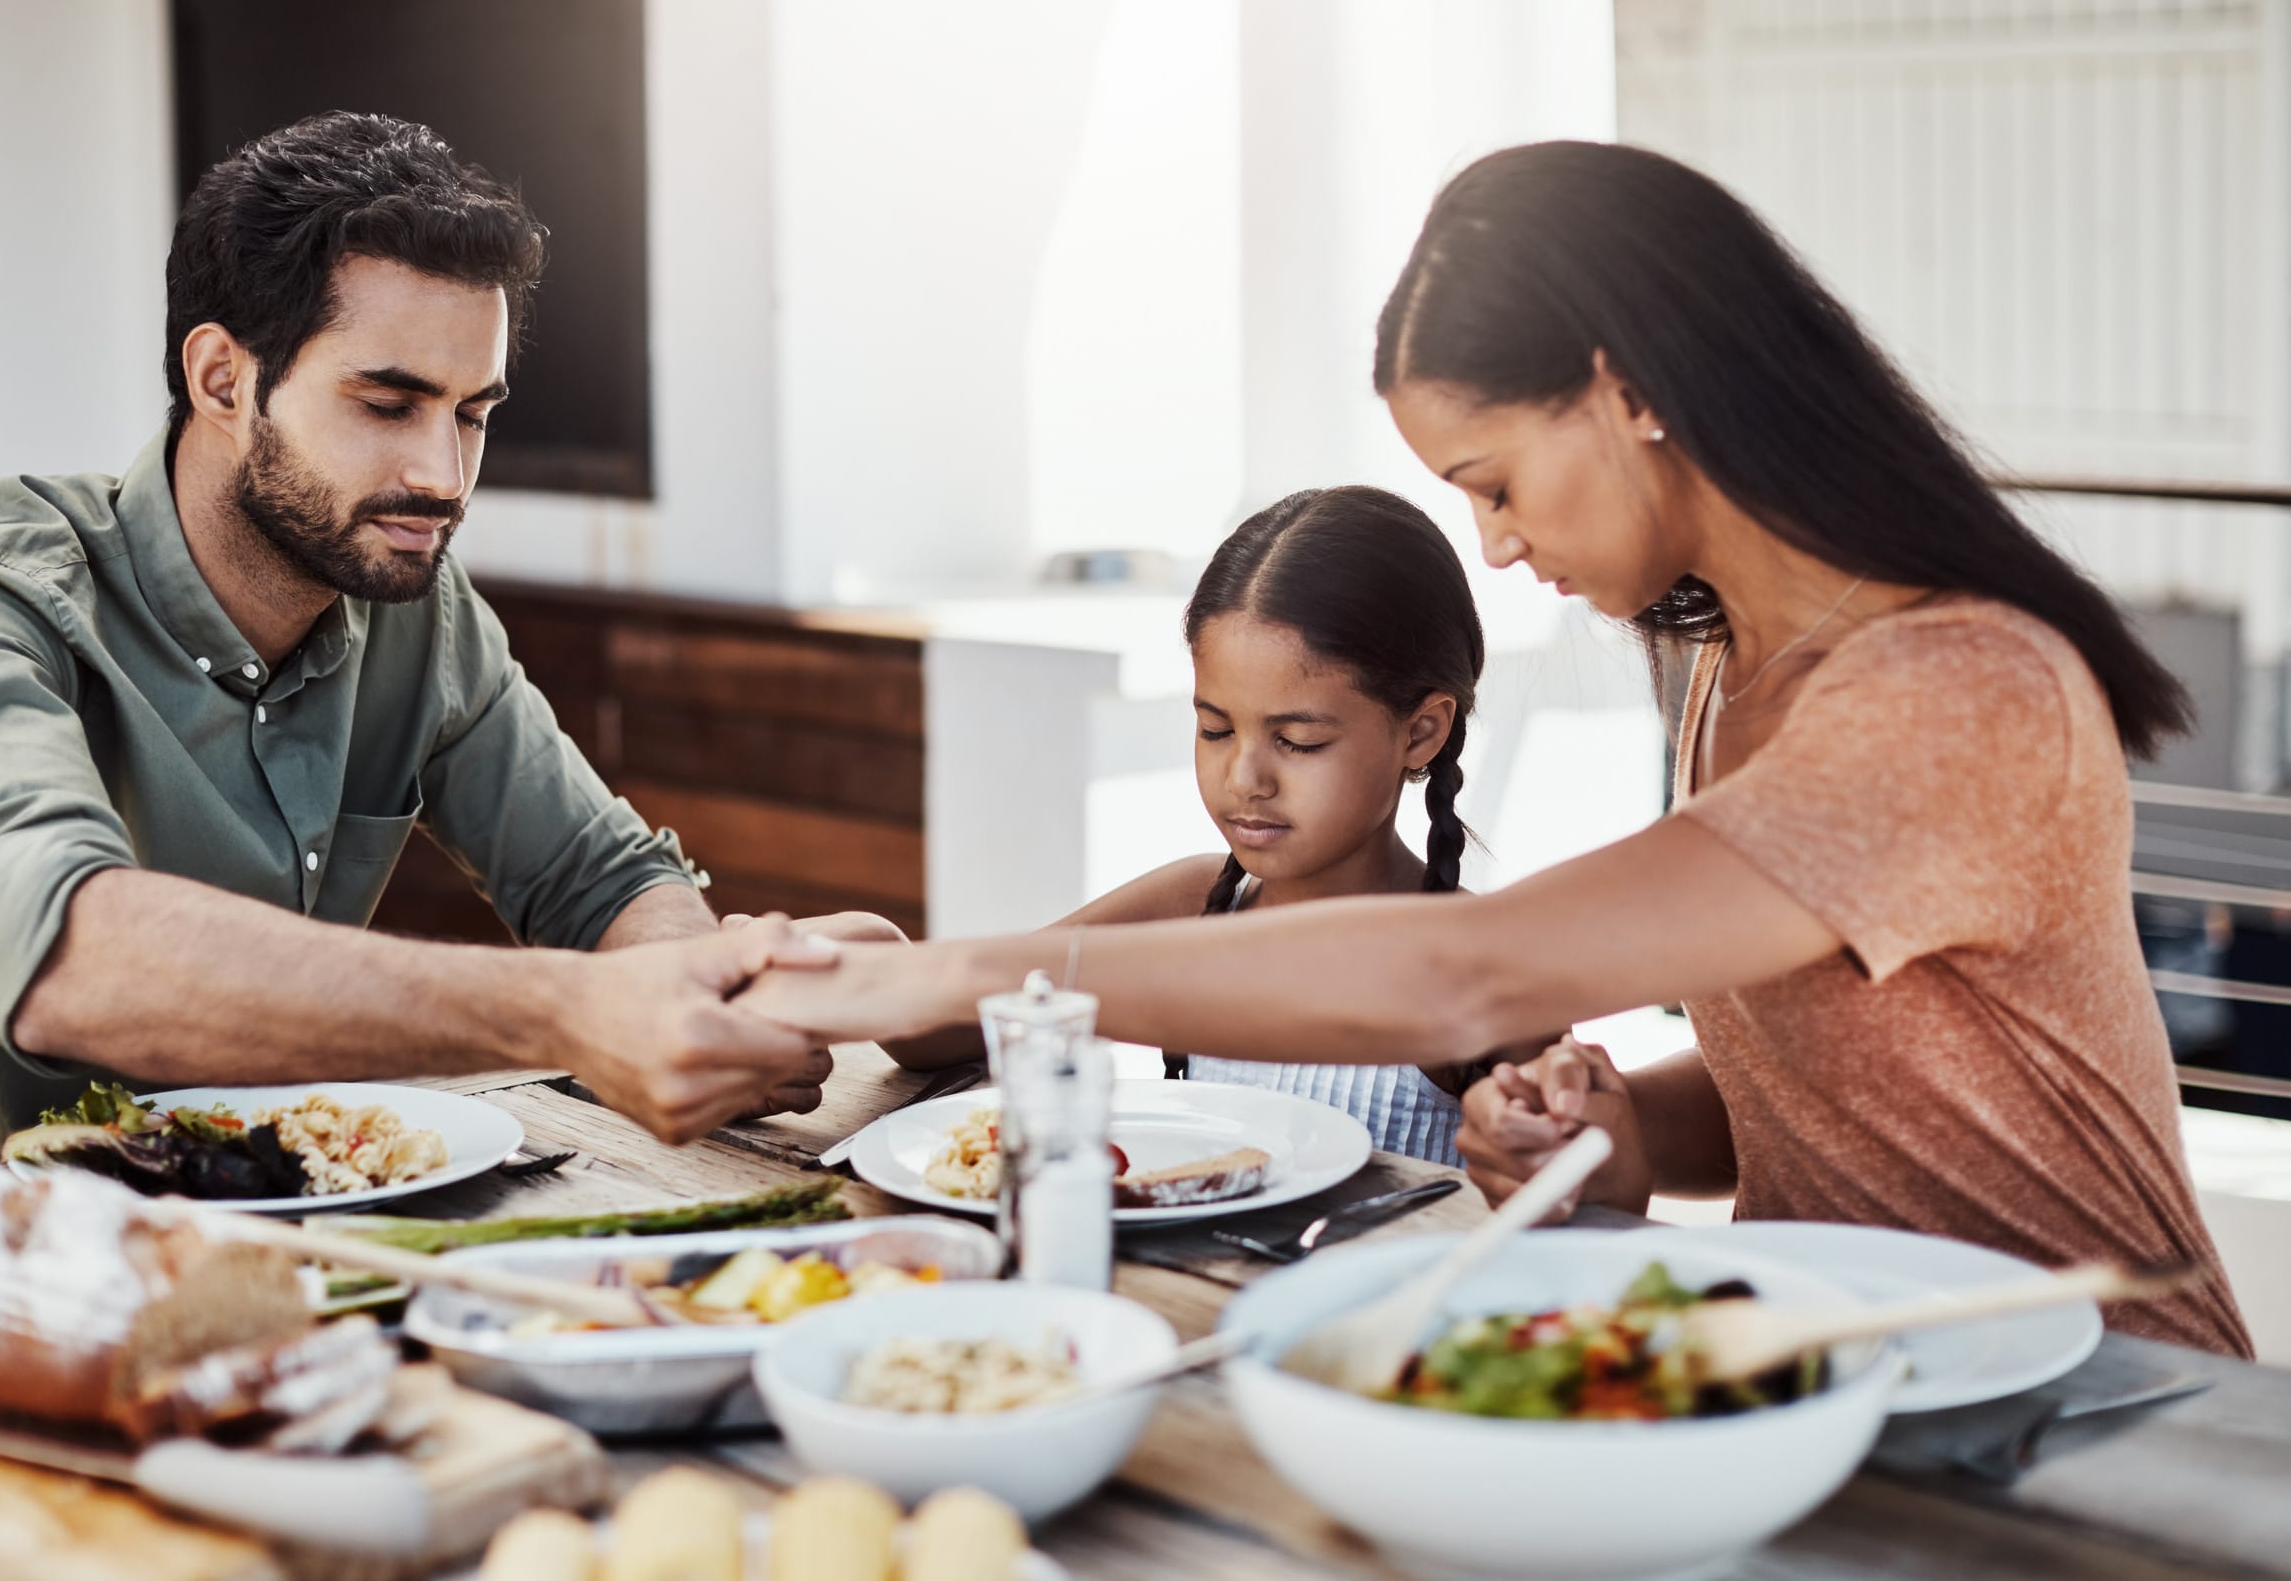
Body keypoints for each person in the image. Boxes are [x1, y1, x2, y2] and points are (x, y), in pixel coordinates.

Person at [744, 141, 2253, 1355]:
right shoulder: (1730, 671)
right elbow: (1820, 1093)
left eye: (1497, 480)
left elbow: (1465, 968)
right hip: (1844, 1377)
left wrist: (948, 974)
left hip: (2102, 1400)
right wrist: (1622, 1128)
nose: (1499, 541)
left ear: (1626, 389)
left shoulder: (1957, 692)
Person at [0, 112, 835, 1178]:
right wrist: (572, 1011)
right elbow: (75, 963)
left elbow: (599, 881)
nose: (445, 477)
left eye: (471, 414)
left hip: (237, 1241)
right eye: (387, 402)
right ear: (223, 381)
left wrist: (729, 992)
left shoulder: (416, 608)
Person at [886, 485, 1528, 1163]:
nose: (1243, 778)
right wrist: (865, 951)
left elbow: (1586, 1196)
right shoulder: (1191, 909)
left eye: (1298, 741)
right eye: (1215, 729)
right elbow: (940, 1032)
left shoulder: (1483, 970)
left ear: (1422, 732)